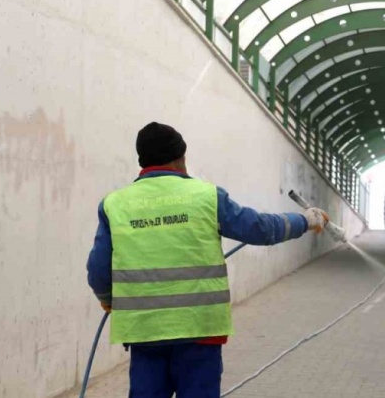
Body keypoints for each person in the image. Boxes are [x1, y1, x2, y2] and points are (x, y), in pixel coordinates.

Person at [86, 122, 329, 398]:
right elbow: (259, 228)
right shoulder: (207, 197)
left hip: (144, 333)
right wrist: (304, 221)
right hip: (199, 332)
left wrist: (108, 298)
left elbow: (98, 270)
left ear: (143, 161)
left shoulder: (114, 204)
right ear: (181, 158)